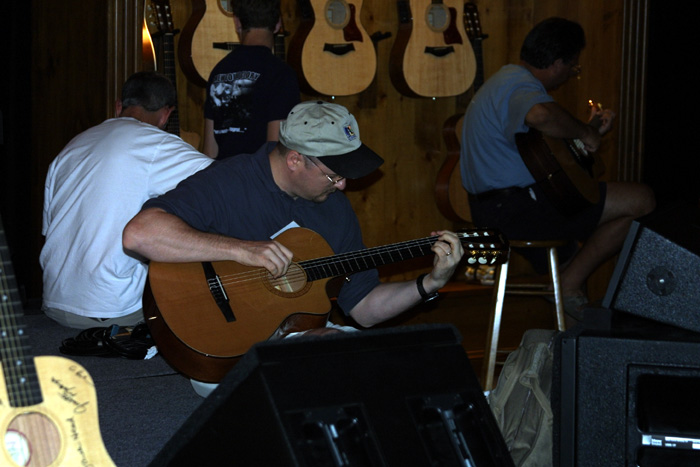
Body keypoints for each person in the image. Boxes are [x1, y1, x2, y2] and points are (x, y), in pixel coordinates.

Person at [123, 100, 465, 395]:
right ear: (295, 160)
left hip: (300, 340)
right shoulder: (230, 181)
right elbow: (139, 234)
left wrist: (430, 283)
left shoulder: (335, 209)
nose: (342, 185)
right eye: (334, 175)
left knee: (402, 363)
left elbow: (363, 308)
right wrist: (242, 250)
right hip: (221, 348)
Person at [460, 17, 655, 320]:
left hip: (497, 209)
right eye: (572, 67)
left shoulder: (503, 82)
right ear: (557, 63)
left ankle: (569, 315)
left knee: (577, 244)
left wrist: (589, 131)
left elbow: (543, 154)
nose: (570, 75)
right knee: (641, 200)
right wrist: (586, 132)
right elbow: (540, 115)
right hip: (517, 210)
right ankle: (567, 285)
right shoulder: (519, 85)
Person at [40, 71, 214, 330]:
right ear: (166, 114)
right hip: (112, 310)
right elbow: (226, 183)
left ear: (119, 106)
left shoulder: (70, 148)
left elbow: (50, 232)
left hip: (55, 301)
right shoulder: (156, 144)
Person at [202, 0, 300, 159]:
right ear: (278, 24)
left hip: (221, 172)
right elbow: (276, 151)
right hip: (257, 174)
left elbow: (209, 152)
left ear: (237, 23)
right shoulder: (281, 75)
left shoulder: (218, 72)